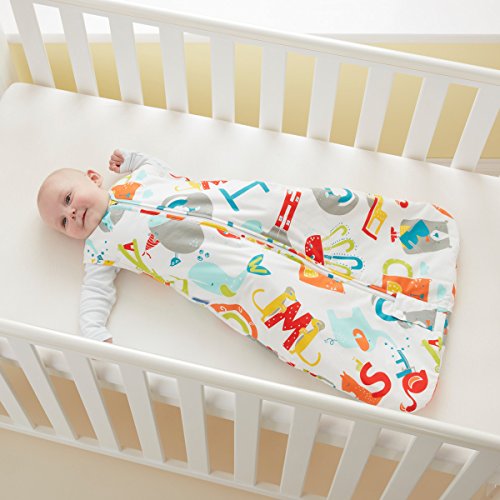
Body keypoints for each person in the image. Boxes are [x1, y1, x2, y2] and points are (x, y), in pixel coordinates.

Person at [36, 149, 459, 412]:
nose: (71, 214)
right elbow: (96, 291)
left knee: (311, 216)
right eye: (62, 221)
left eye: (69, 199)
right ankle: (405, 339)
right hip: (230, 271)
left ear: (93, 177)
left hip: (245, 209)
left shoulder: (137, 180)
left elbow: (158, 167)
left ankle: (419, 265)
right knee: (294, 304)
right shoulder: (100, 249)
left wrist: (130, 160)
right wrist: (93, 332)